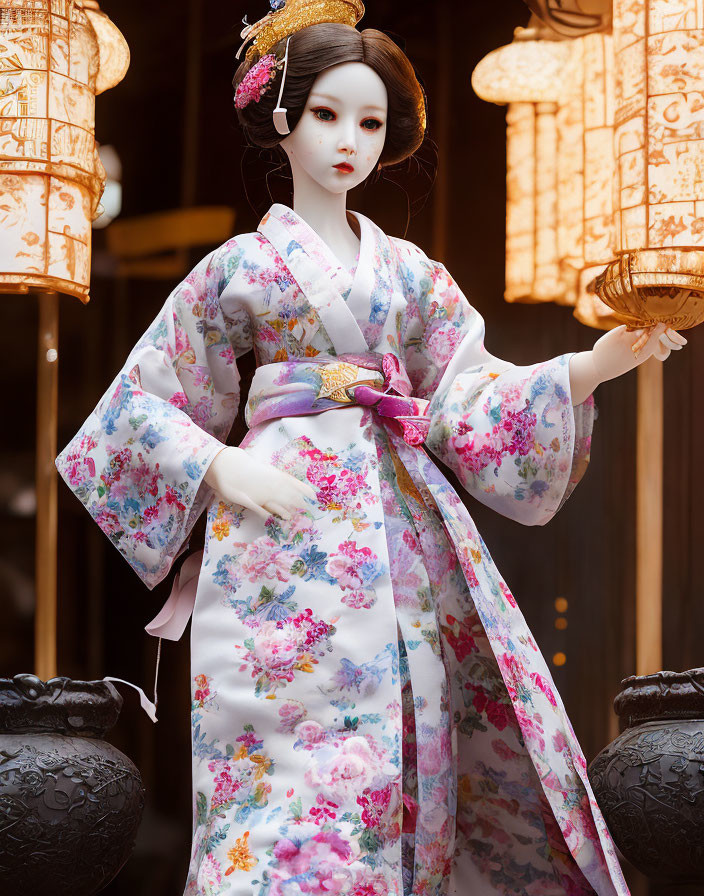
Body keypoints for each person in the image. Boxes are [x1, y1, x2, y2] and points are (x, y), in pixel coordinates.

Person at [57, 2, 684, 894]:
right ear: (282, 118)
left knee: (410, 720)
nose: (349, 138)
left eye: (370, 121)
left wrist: (587, 366)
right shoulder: (239, 267)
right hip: (275, 535)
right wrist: (216, 462)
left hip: (397, 523)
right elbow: (144, 397)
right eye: (326, 113)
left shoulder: (409, 275)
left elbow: (468, 391)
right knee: (278, 753)